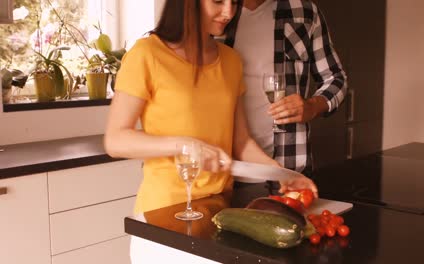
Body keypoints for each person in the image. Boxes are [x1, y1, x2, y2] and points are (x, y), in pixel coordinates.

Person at [105, 0, 317, 217]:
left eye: (234, 2)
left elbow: (241, 142)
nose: (229, 12)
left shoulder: (230, 60)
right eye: (218, 1)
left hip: (220, 207)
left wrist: (281, 173)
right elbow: (115, 140)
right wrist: (185, 145)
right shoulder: (147, 53)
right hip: (165, 210)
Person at [222, 0, 348, 178]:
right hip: (227, 170)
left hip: (290, 166)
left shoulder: (304, 11)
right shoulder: (214, 14)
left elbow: (336, 78)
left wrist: (312, 106)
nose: (226, 9)